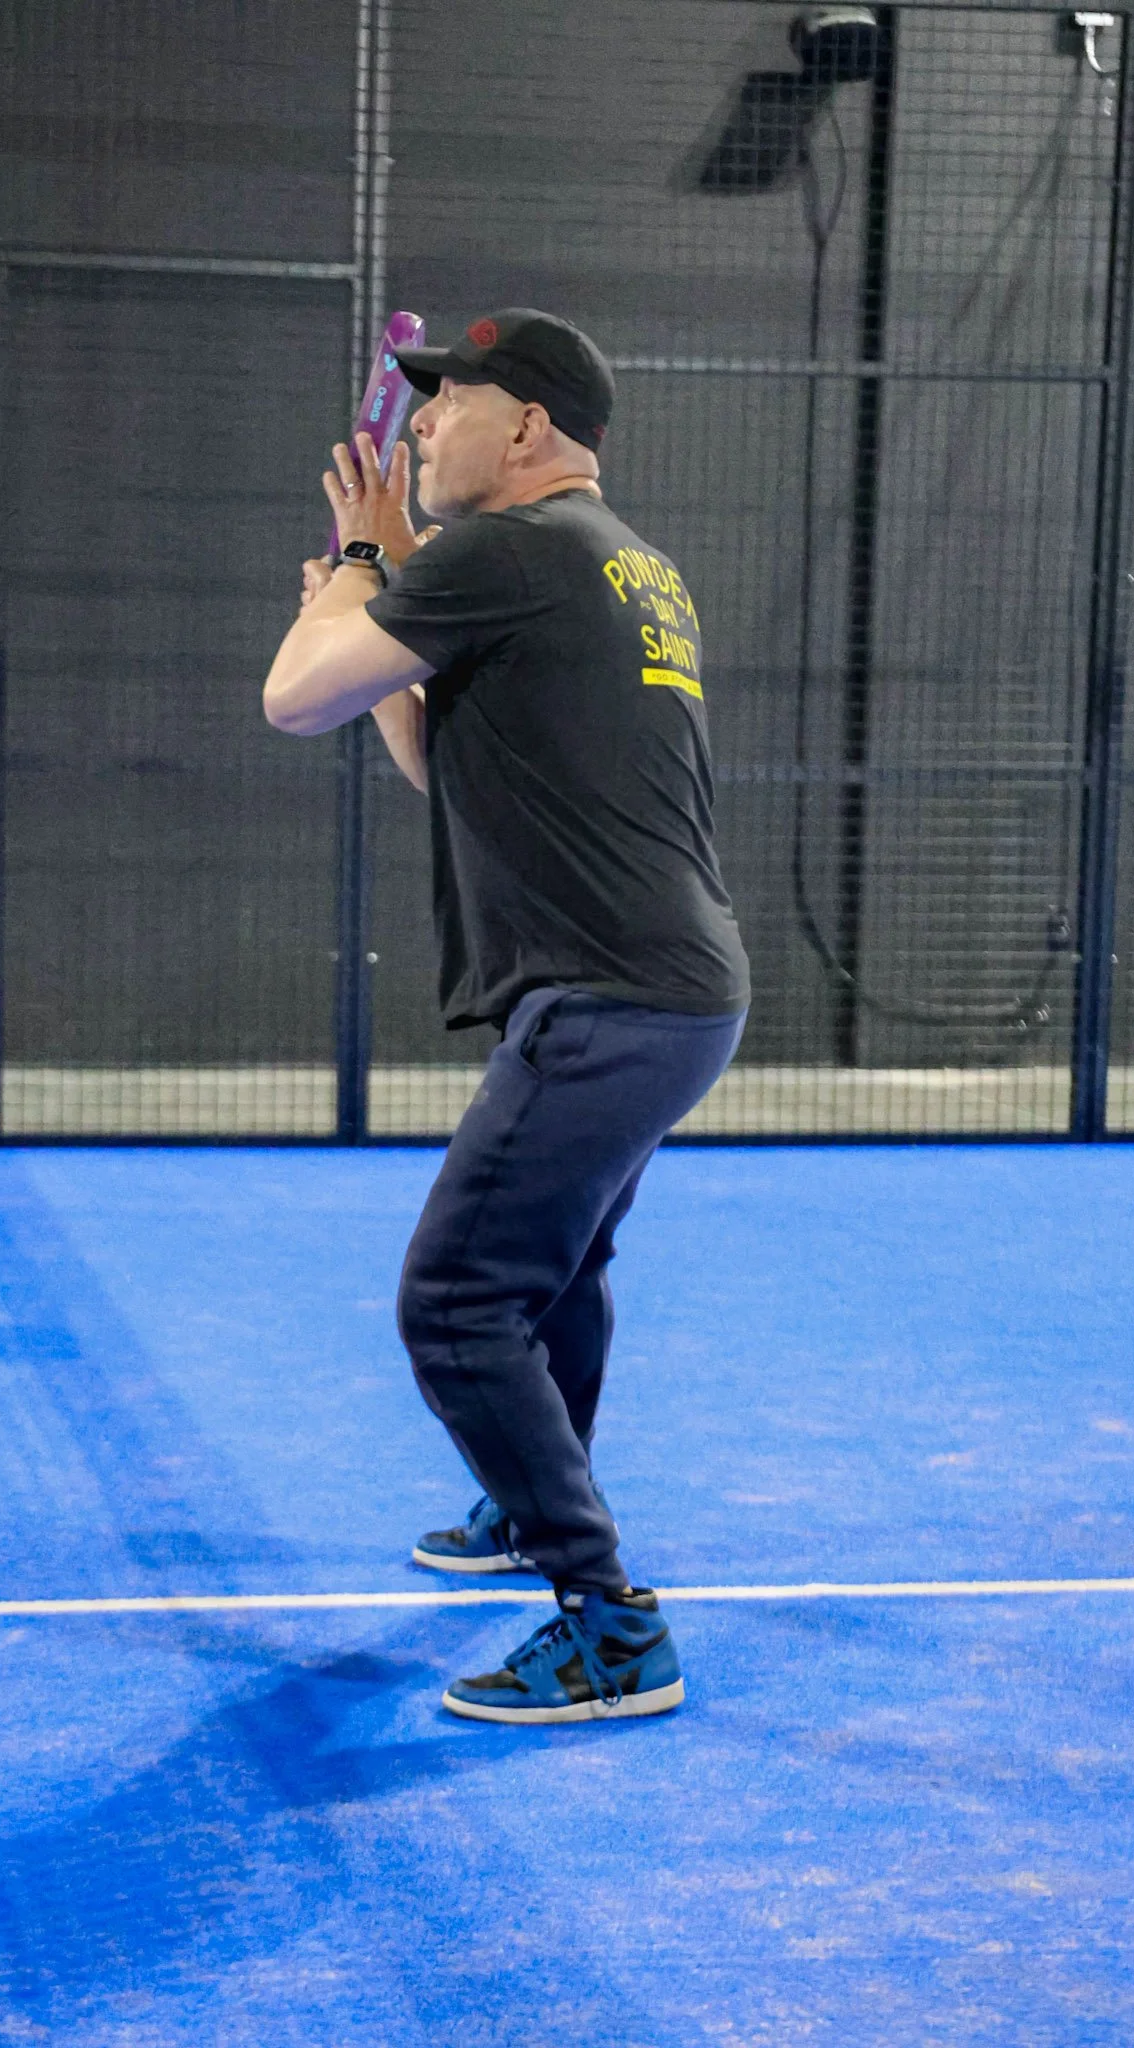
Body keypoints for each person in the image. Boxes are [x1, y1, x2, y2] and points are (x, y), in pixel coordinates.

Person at [263, 308, 749, 1724]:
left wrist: (358, 575)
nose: (419, 427)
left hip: (609, 998)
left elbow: (294, 698)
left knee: (458, 1300)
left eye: (449, 404)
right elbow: (444, 759)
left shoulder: (509, 551)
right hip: (674, 993)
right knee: (561, 1271)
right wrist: (385, 603)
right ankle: (524, 1503)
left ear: (526, 428)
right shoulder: (621, 562)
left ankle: (609, 1628)